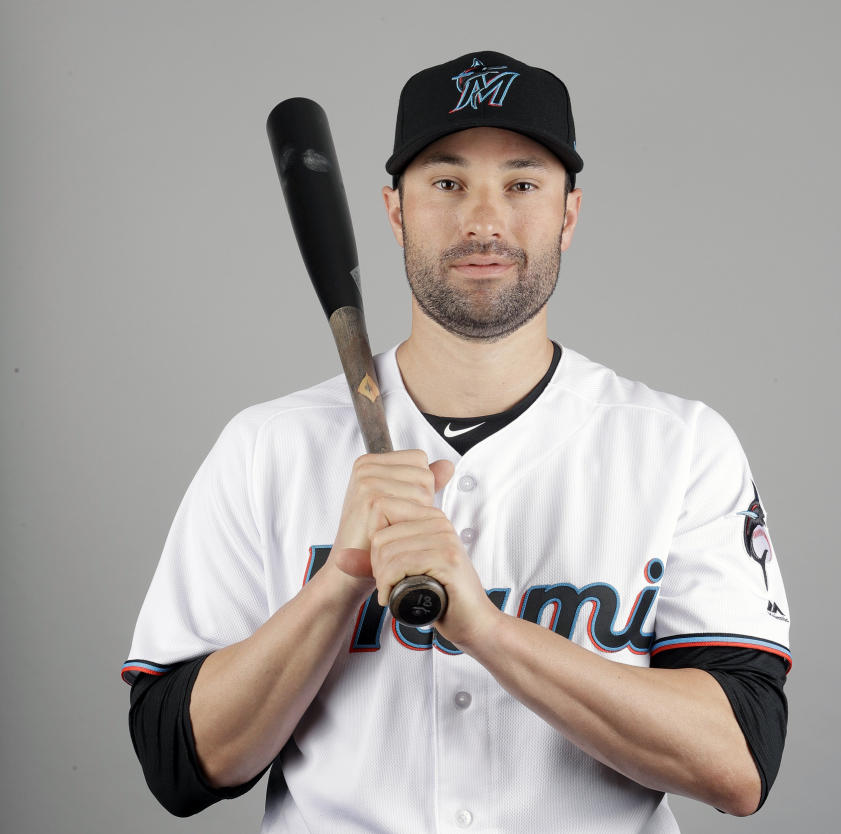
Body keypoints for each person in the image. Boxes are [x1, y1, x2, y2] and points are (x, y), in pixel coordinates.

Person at [123, 51, 790, 833]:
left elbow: (737, 762)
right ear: (395, 211)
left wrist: (485, 628)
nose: (483, 219)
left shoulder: (679, 448)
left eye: (521, 183)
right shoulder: (268, 446)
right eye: (446, 183)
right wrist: (339, 585)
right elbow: (180, 764)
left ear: (568, 214)